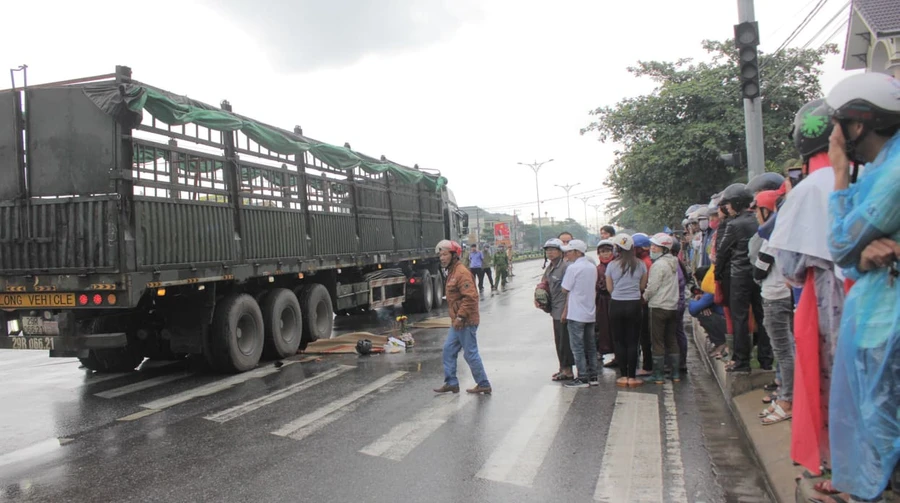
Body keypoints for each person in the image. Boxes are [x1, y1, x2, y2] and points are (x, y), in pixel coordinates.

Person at [823, 72, 900, 502]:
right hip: (879, 319)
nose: (832, 135)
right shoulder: (880, 170)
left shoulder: (892, 175)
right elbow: (853, 253)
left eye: (836, 124)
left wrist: (838, 175)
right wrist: (861, 251)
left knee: (884, 424)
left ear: (857, 125)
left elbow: (839, 243)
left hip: (887, 325)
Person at [768, 98, 844, 488]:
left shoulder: (810, 189)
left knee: (832, 380)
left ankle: (837, 467)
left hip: (827, 296)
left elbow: (792, 266)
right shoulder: (876, 175)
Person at [717, 183, 773, 373]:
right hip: (760, 273)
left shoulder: (734, 225)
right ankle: (766, 359)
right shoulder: (759, 220)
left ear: (736, 203)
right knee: (761, 315)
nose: (727, 208)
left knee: (739, 318)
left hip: (739, 276)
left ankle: (742, 360)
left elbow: (722, 252)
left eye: (729, 204)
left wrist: (718, 275)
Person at [752, 190, 794, 426]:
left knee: (784, 351)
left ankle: (787, 399)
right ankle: (785, 395)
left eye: (757, 210)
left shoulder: (771, 237)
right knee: (787, 349)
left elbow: (758, 271)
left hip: (775, 297)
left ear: (766, 211)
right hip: (784, 296)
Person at [433, 240, 491, 394]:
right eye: (440, 255)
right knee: (448, 350)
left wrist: (460, 317)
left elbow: (471, 297)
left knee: (470, 353)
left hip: (466, 321)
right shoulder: (452, 272)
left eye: (445, 254)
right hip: (457, 321)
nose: (442, 258)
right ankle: (451, 382)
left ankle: (483, 383)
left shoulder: (461, 273)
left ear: (454, 255)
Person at [606, 233, 648, 387]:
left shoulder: (611, 265)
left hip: (616, 304)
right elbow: (642, 287)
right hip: (634, 304)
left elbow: (610, 288)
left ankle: (623, 376)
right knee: (633, 341)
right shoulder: (641, 264)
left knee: (619, 341)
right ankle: (632, 376)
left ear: (617, 248)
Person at [643, 233, 681, 383]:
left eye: (656, 246)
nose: (652, 248)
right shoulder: (674, 262)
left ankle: (658, 375)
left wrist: (644, 297)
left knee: (657, 341)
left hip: (658, 306)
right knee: (671, 339)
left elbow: (652, 286)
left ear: (664, 249)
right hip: (672, 306)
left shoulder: (658, 265)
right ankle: (676, 374)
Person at [560, 239, 599, 388]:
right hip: (590, 312)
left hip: (576, 313)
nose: (567, 254)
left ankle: (582, 377)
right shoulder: (591, 266)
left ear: (577, 252)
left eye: (569, 251)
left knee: (577, 347)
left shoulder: (573, 268)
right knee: (590, 346)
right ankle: (593, 376)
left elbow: (565, 288)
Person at [539, 238, 575, 381]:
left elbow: (570, 291)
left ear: (561, 251)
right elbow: (544, 283)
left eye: (553, 250)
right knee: (558, 339)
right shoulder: (550, 267)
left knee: (565, 341)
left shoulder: (566, 267)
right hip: (555, 309)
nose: (550, 253)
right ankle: (562, 367)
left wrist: (566, 310)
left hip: (564, 308)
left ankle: (568, 370)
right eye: (548, 250)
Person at [633, 232, 654, 376]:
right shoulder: (646, 261)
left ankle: (648, 366)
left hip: (644, 301)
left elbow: (644, 285)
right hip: (646, 301)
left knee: (645, 336)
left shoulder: (645, 263)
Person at [595, 239, 615, 366]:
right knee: (602, 328)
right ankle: (600, 351)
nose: (605, 254)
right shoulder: (597, 269)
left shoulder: (617, 266)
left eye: (608, 251)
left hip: (615, 300)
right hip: (601, 303)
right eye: (602, 252)